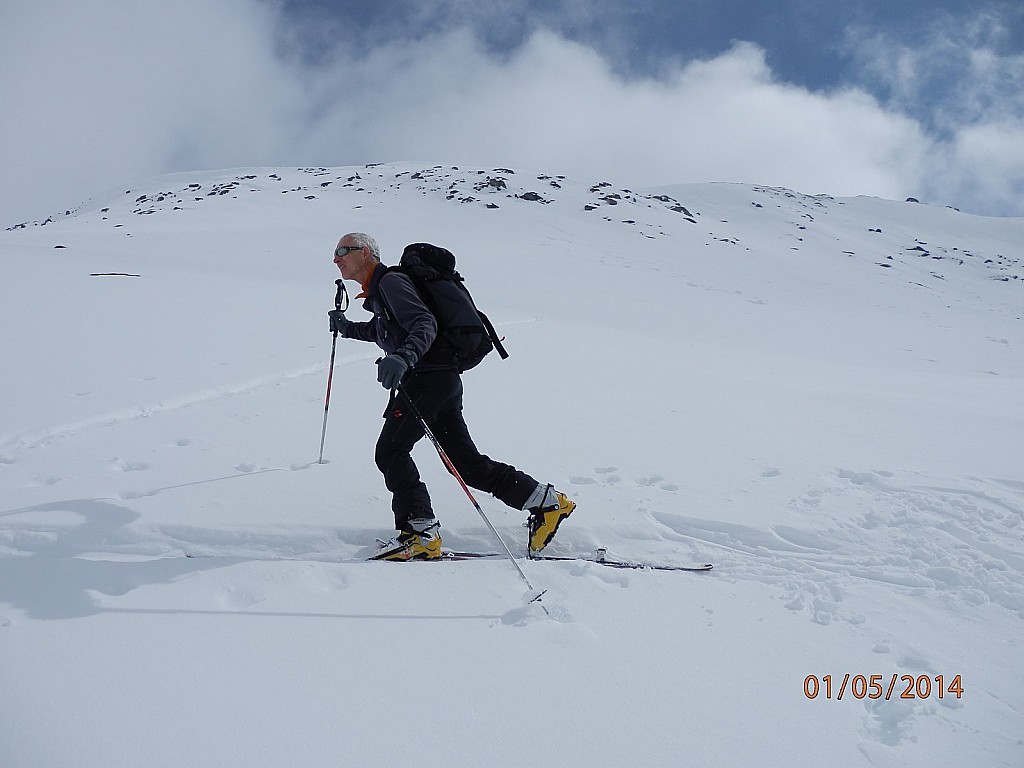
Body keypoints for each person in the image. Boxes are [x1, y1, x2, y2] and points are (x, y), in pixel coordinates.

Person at [328, 232, 575, 560]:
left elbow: (423, 322)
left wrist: (404, 358)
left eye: (344, 250)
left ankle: (420, 533)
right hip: (440, 380)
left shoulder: (390, 282)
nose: (336, 258)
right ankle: (547, 502)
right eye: (336, 252)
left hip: (427, 380)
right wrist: (347, 328)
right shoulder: (379, 291)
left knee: (391, 451)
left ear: (366, 253)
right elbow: (382, 331)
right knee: (467, 465)